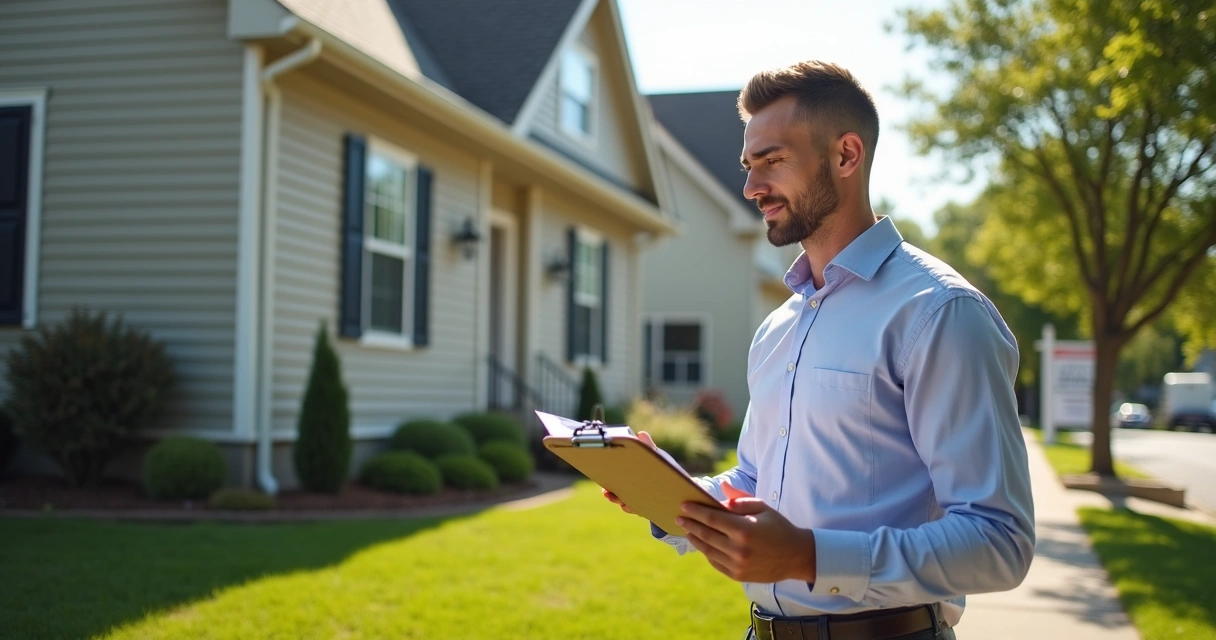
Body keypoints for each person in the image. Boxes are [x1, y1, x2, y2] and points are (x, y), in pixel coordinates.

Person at [606, 61, 1034, 640]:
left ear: (846, 156)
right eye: (749, 165)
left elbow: (998, 540)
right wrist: (664, 492)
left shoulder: (940, 313)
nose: (752, 187)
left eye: (772, 161)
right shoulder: (778, 327)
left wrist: (807, 557)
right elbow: (758, 479)